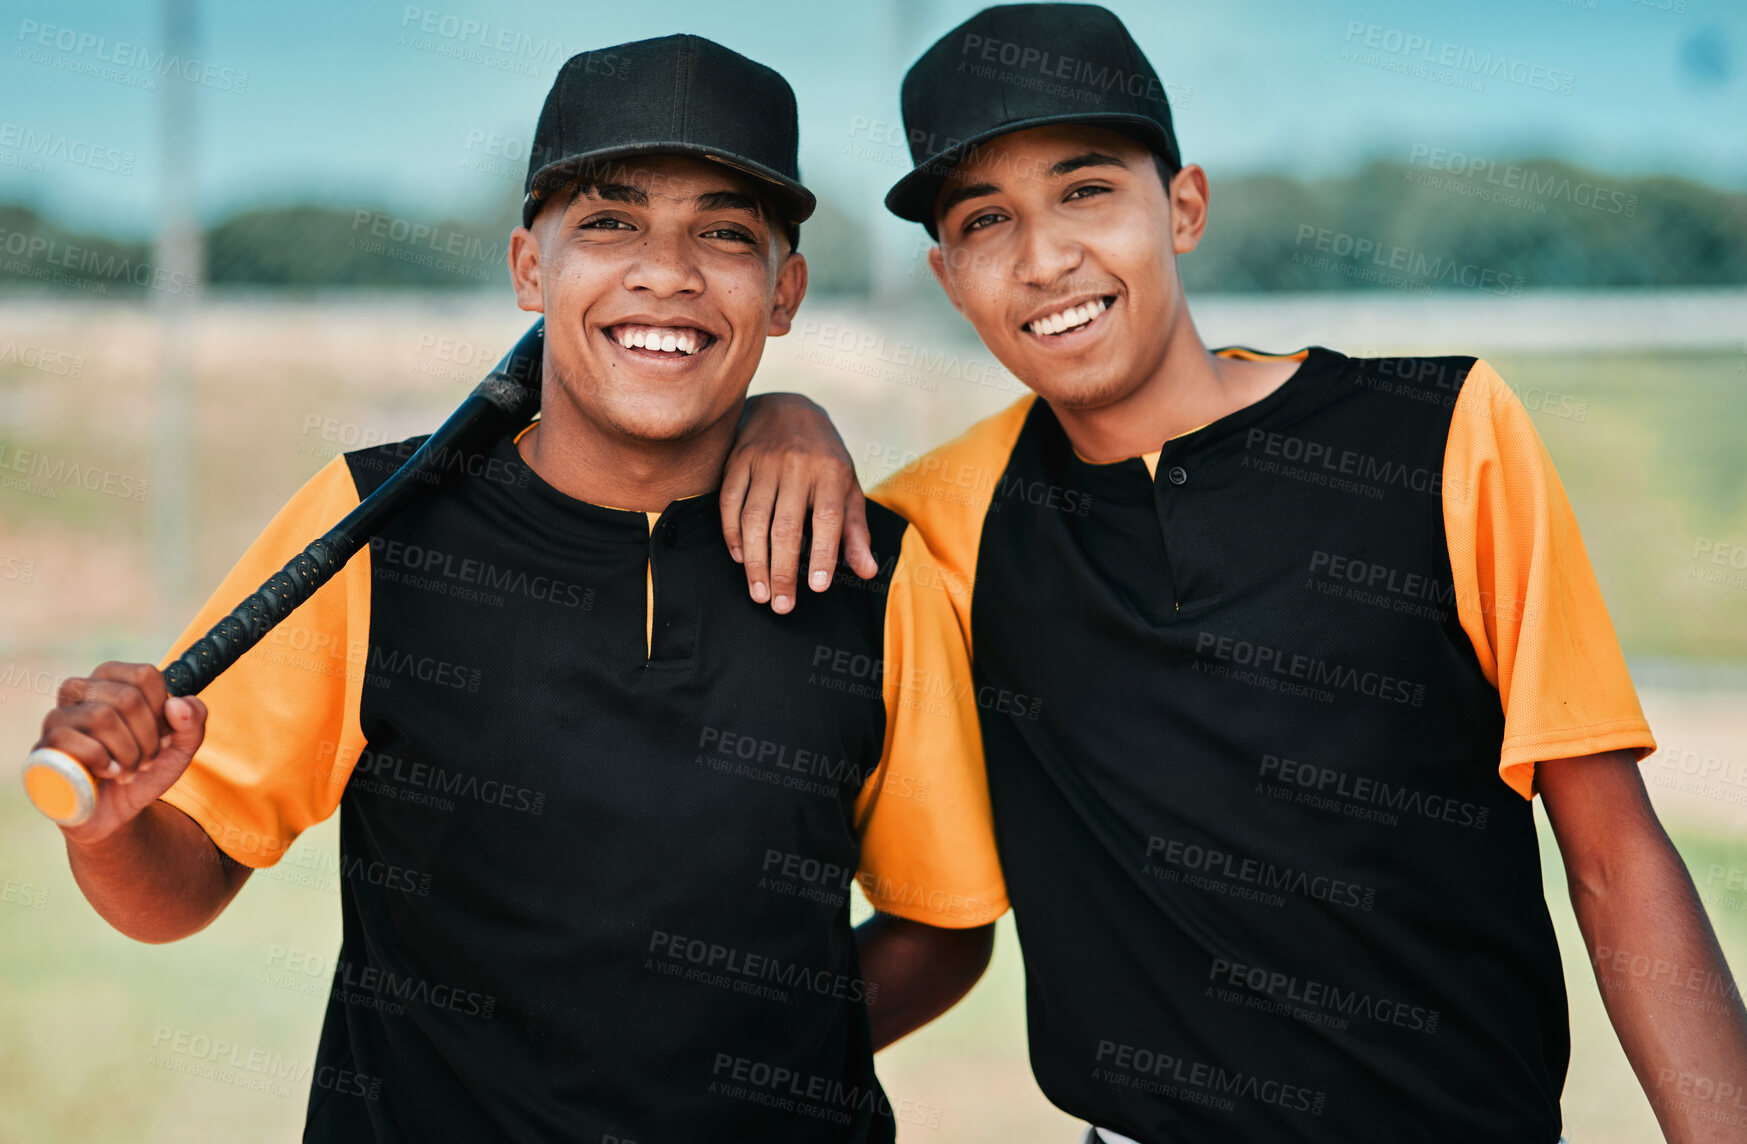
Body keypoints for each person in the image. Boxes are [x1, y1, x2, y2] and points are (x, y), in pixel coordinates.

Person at [743, 5, 1747, 1141]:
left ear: (1183, 206)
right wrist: (783, 410)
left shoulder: (1438, 432)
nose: (1045, 256)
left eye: (1086, 190)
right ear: (948, 275)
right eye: (987, 220)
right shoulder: (937, 528)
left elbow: (1613, 853)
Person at [33, 34, 1004, 1143]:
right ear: (527, 269)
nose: (666, 270)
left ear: (783, 292)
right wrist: (110, 828)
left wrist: (736, 1069)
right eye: (609, 221)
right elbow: (183, 886)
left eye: (724, 233)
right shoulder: (375, 525)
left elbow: (943, 924)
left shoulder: (871, 567)